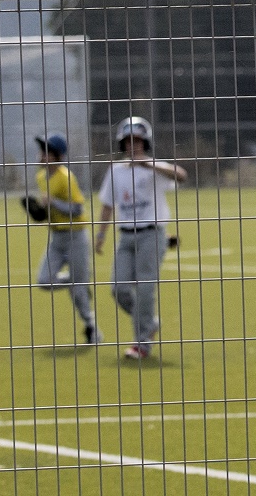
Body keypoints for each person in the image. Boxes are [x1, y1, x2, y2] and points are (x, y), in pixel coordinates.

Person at [93, 116, 188, 360]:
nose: (132, 146)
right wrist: (101, 234)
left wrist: (149, 165)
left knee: (146, 289)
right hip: (125, 236)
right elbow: (107, 204)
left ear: (145, 142)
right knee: (118, 288)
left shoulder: (156, 168)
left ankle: (141, 343)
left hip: (151, 234)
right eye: (127, 141)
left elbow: (181, 175)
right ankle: (149, 322)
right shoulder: (116, 171)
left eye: (137, 141)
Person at [32, 132, 99, 343]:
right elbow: (48, 208)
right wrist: (39, 211)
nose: (41, 154)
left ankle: (92, 328)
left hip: (75, 236)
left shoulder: (66, 177)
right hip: (56, 238)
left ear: (55, 156)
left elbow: (78, 209)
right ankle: (77, 281)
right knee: (44, 281)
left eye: (46, 151)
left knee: (79, 294)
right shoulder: (41, 177)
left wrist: (53, 203)